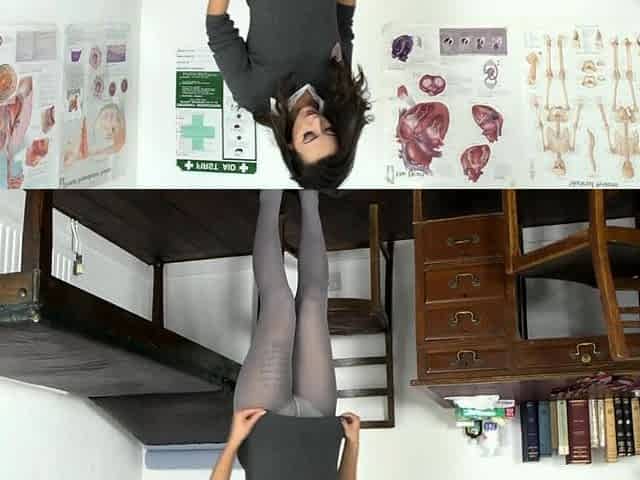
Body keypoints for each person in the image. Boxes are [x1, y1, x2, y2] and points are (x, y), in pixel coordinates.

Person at [210, 190, 361, 480]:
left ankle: (270, 196)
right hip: (320, 426)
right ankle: (310, 195)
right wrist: (353, 444)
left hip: (262, 425)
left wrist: (234, 440)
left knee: (279, 305)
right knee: (313, 304)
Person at [206, 1, 372, 189]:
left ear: (290, 146)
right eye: (328, 130)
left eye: (309, 135)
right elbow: (343, 21)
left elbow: (217, 28)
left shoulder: (253, 96)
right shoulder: (338, 88)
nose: (316, 121)